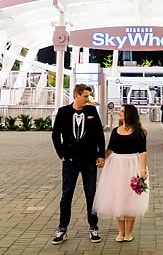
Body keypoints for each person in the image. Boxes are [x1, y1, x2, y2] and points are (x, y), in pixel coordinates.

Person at [50, 84, 105, 245]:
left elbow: (99, 135)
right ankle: (62, 228)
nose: (88, 99)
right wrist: (61, 154)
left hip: (89, 160)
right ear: (76, 95)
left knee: (91, 194)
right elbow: (55, 135)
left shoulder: (91, 112)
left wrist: (101, 155)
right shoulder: (63, 112)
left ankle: (93, 227)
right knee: (66, 194)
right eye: (86, 96)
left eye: (88, 96)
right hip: (70, 161)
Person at [93, 104, 149, 243]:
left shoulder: (139, 132)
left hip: (132, 165)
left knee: (130, 199)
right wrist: (102, 159)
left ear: (130, 114)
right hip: (115, 166)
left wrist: (143, 171)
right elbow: (110, 149)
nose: (120, 112)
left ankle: (129, 232)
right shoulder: (115, 131)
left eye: (123, 111)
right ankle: (121, 232)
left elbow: (142, 152)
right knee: (118, 197)